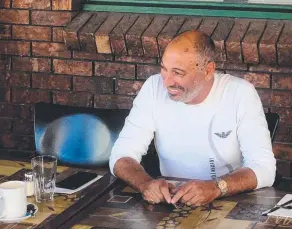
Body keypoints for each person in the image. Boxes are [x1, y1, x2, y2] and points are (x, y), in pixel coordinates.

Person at [109, 30, 276, 207]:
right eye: (164, 69)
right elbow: (121, 155)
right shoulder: (153, 87)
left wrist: (216, 188)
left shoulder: (240, 93)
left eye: (178, 73)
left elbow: (264, 168)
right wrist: (145, 184)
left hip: (230, 201)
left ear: (208, 70)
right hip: (171, 204)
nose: (166, 82)